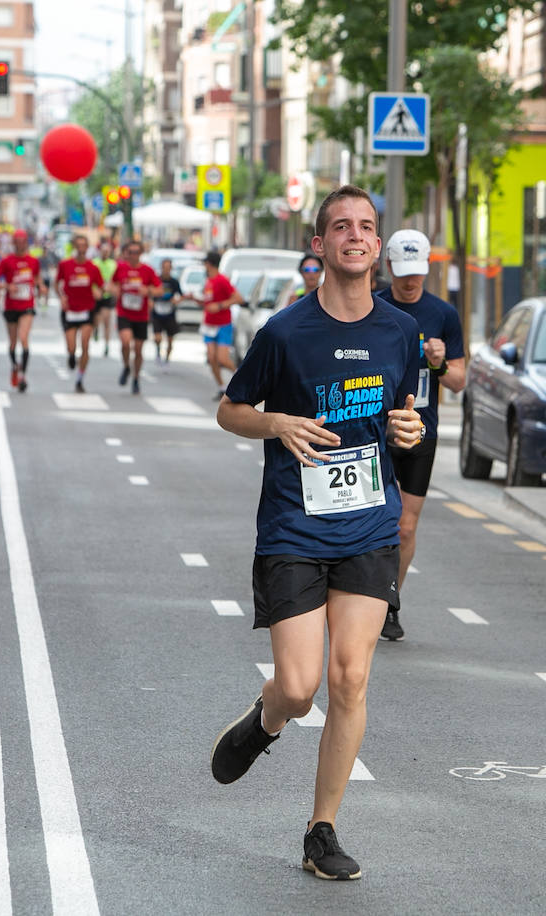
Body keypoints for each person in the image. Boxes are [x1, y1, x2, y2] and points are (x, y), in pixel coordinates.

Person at [209, 185, 423, 881]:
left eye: (366, 227)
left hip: (368, 522)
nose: (355, 237)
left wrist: (408, 428)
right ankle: (265, 721)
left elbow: (403, 413)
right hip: (294, 528)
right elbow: (230, 409)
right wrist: (276, 423)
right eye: (341, 227)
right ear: (321, 245)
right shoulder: (285, 333)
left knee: (350, 677)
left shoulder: (399, 332)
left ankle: (321, 831)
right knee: (301, 688)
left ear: (376, 243)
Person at [375, 229, 467, 641]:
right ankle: (358, 598)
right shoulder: (372, 304)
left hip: (419, 429)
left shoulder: (443, 314)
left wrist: (442, 363)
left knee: (405, 528)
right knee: (369, 517)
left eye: (418, 274)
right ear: (389, 266)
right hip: (373, 425)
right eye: (403, 274)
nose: (411, 282)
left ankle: (390, 602)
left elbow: (461, 380)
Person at [108, 239, 162, 395]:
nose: (133, 255)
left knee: (138, 350)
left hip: (141, 315)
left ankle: (136, 378)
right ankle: (126, 366)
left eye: (136, 252)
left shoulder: (148, 270)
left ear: (141, 254)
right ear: (126, 253)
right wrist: (114, 290)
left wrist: (148, 291)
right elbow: (110, 284)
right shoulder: (121, 268)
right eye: (130, 252)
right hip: (124, 312)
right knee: (125, 343)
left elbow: (160, 290)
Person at [0, 229, 41, 392]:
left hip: (27, 305)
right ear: (14, 243)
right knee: (13, 342)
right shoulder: (7, 261)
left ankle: (22, 376)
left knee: (23, 338)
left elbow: (37, 278)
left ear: (26, 243)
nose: (20, 245)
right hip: (11, 306)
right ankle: (15, 366)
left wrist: (42, 286)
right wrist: (7, 286)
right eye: (17, 242)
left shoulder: (33, 261)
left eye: (23, 242)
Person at [54, 234, 104, 392]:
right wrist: (61, 297)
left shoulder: (93, 267)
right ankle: (70, 355)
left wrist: (99, 293)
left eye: (84, 245)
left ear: (87, 247)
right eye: (79, 245)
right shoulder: (65, 265)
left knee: (85, 344)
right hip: (70, 310)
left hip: (87, 309)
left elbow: (101, 287)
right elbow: (57, 283)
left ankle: (80, 378)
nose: (81, 248)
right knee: (71, 346)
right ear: (75, 247)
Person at [199, 251, 244, 400]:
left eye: (205, 263)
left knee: (222, 359)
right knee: (211, 358)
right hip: (209, 325)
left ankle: (244, 378)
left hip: (223, 324)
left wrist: (219, 306)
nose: (204, 266)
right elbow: (207, 303)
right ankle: (221, 387)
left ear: (209, 264)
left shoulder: (221, 280)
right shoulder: (208, 281)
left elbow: (238, 298)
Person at [150, 258, 183, 364]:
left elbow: (181, 295)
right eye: (164, 268)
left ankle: (167, 358)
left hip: (169, 313)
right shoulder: (156, 280)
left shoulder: (174, 282)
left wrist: (176, 300)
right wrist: (150, 301)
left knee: (170, 340)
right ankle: (158, 351)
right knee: (158, 337)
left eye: (168, 268)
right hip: (157, 312)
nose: (166, 270)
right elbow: (150, 291)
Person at [90, 239, 118, 355]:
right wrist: (94, 290)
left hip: (107, 295)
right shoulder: (94, 263)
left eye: (107, 251)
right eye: (103, 251)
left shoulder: (113, 264)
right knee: (97, 320)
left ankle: (106, 345)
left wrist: (112, 289)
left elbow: (116, 280)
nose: (105, 253)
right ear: (100, 251)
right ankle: (96, 329)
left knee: (107, 319)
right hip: (96, 295)